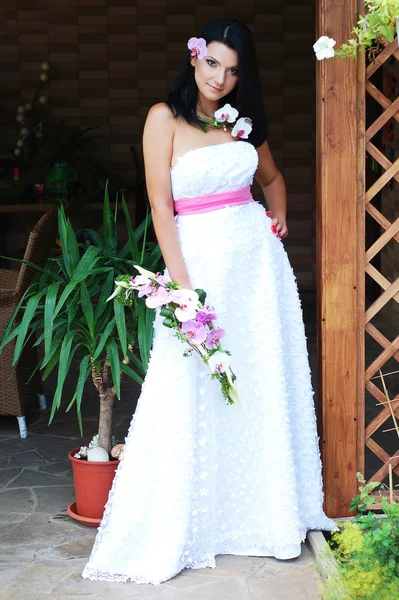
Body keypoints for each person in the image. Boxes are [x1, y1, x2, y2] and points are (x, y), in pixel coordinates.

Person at [82, 17, 336, 586]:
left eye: (233, 69)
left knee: (261, 382)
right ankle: (198, 520)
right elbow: (161, 207)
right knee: (192, 386)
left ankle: (271, 517)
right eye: (213, 63)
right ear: (194, 59)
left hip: (257, 275)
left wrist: (280, 218)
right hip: (199, 271)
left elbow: (272, 181)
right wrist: (183, 292)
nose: (221, 78)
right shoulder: (162, 119)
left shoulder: (242, 125)